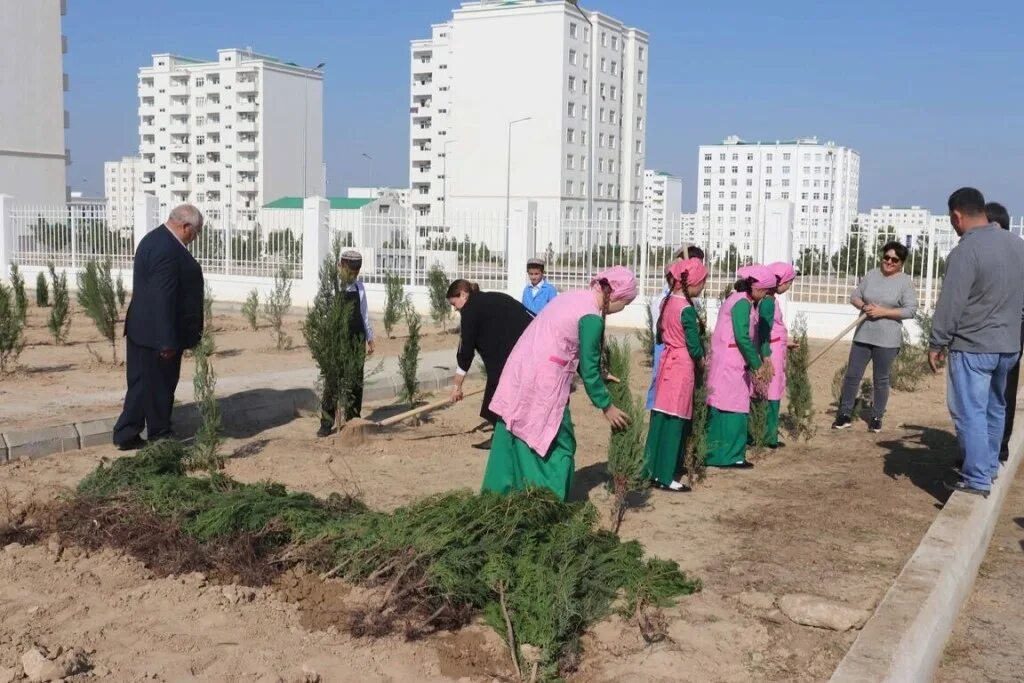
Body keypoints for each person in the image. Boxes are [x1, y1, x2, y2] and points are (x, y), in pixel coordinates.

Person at [482, 266, 635, 501]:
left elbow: (572, 346)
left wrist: (600, 374)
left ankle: (499, 496)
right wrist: (607, 406)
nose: (622, 309)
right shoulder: (591, 317)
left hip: (521, 368)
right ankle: (545, 500)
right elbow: (589, 368)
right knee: (557, 441)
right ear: (615, 295)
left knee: (512, 431)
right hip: (543, 380)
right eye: (625, 303)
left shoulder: (575, 297)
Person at [930, 188, 1024, 497]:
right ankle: (990, 466)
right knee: (996, 407)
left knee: (970, 411)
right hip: (1008, 347)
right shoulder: (1017, 245)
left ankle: (977, 478)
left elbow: (951, 303)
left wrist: (937, 342)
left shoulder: (966, 251)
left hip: (973, 346)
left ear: (957, 216)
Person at [112, 205, 205, 450]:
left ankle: (128, 433)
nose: (196, 237)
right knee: (159, 387)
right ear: (185, 227)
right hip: (157, 334)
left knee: (143, 384)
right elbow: (163, 297)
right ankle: (158, 435)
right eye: (196, 232)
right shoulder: (167, 249)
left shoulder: (154, 239)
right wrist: (166, 340)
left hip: (143, 329)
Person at [832, 242, 918, 433]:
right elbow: (855, 296)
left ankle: (877, 416)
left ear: (901, 263)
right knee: (852, 376)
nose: (889, 262)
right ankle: (844, 414)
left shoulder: (905, 282)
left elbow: (911, 310)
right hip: (863, 335)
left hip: (887, 340)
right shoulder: (871, 275)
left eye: (894, 259)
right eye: (886, 257)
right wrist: (864, 306)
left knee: (881, 379)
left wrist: (883, 312)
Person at [643, 258, 708, 491]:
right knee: (675, 419)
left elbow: (661, 333)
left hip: (666, 362)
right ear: (693, 282)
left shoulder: (667, 302)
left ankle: (650, 470)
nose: (703, 287)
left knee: (660, 417)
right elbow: (693, 345)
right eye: (702, 282)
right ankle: (665, 475)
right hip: (681, 365)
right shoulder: (686, 310)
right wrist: (701, 360)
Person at [447, 279, 535, 447]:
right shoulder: (493, 297)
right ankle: (503, 435)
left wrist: (457, 385)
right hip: (524, 348)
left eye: (454, 303)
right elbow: (530, 316)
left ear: (463, 295)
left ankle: (504, 439)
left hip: (510, 356)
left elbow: (465, 350)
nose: (455, 308)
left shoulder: (470, 310)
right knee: (498, 391)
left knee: (499, 392)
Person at [705, 265, 775, 468]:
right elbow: (742, 337)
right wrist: (757, 364)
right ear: (757, 288)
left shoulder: (737, 299)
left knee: (721, 406)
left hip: (726, 360)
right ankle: (732, 456)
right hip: (732, 362)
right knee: (734, 407)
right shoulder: (742, 303)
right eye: (765, 291)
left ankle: (716, 455)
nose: (765, 295)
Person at [317, 250, 375, 437]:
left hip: (356, 340)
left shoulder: (360, 288)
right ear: (341, 267)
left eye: (356, 272)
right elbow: (324, 315)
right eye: (350, 271)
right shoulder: (331, 287)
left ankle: (353, 420)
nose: (353, 275)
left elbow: (364, 314)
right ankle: (326, 423)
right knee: (332, 382)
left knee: (355, 382)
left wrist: (369, 336)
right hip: (336, 340)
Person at [646, 245, 706, 410]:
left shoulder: (689, 300)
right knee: (660, 381)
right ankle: (655, 408)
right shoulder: (668, 298)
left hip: (679, 350)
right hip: (667, 345)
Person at [750, 262, 799, 448]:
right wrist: (766, 356)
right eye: (789, 283)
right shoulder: (768, 302)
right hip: (771, 352)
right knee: (771, 392)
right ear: (781, 282)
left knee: (761, 390)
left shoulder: (765, 299)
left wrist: (786, 343)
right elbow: (764, 330)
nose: (789, 287)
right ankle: (768, 437)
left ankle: (757, 433)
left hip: (772, 347)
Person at [986, 201, 1020, 462]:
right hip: (991, 331)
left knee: (1001, 391)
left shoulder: (1015, 254)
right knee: (988, 392)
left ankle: (998, 448)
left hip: (1009, 330)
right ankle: (984, 449)